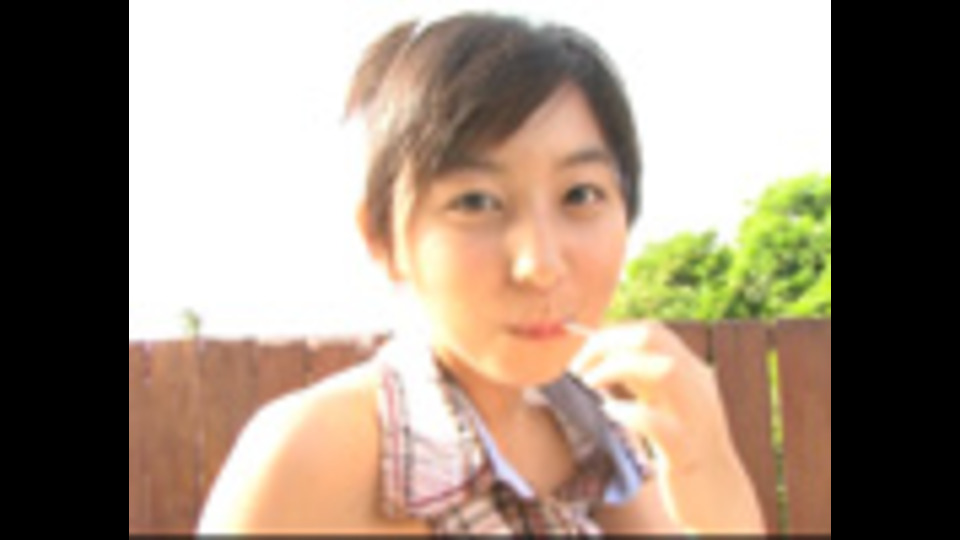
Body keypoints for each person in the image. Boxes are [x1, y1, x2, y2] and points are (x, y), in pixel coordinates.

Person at [198, 13, 764, 535]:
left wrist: (714, 477)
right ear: (382, 238)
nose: (540, 265)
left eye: (580, 194)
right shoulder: (311, 454)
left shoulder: (603, 437)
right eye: (475, 202)